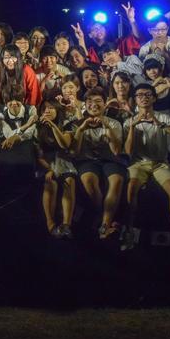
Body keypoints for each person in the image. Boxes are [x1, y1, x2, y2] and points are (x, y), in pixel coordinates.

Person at [122, 83, 170, 254]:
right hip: (138, 163)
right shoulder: (129, 121)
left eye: (147, 94)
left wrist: (161, 125)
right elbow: (127, 151)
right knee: (131, 187)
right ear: (135, 100)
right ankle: (129, 231)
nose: (144, 98)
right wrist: (133, 126)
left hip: (160, 163)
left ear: (154, 98)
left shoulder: (163, 118)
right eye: (139, 95)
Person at [71, 88, 126, 240]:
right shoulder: (77, 123)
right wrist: (81, 129)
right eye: (89, 101)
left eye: (98, 101)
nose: (93, 104)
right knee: (89, 180)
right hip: (88, 160)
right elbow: (74, 152)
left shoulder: (114, 123)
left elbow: (116, 151)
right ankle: (101, 216)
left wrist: (107, 127)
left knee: (116, 180)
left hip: (110, 159)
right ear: (85, 105)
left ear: (105, 104)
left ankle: (105, 225)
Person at [35, 99, 76, 238]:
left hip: (64, 161)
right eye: (44, 109)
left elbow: (65, 144)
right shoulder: (38, 127)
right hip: (46, 163)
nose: (47, 111)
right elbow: (39, 156)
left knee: (69, 181)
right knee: (50, 183)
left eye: (51, 108)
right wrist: (50, 169)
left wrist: (53, 126)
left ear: (58, 110)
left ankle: (66, 225)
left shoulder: (67, 124)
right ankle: (50, 223)